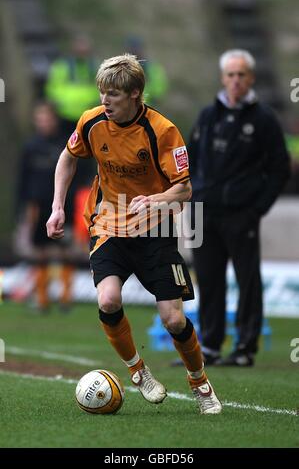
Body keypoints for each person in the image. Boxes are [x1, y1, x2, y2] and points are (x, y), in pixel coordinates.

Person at [46, 53, 222, 414]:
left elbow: (185, 190)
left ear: (135, 94)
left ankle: (200, 383)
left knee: (173, 319)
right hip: (108, 223)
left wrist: (154, 200)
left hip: (155, 228)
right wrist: (58, 206)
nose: (104, 101)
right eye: (102, 93)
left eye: (112, 94)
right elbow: (68, 156)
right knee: (108, 300)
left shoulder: (162, 130)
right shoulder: (91, 121)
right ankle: (138, 372)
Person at [188, 49, 290, 366]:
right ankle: (210, 346)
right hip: (202, 212)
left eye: (241, 74)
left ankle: (245, 348)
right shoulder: (208, 115)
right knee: (207, 278)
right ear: (222, 78)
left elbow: (279, 169)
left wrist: (257, 208)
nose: (235, 80)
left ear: (251, 78)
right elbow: (188, 160)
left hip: (241, 213)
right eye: (230, 75)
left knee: (247, 279)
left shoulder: (264, 119)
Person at [15, 101, 75, 312]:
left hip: (62, 205)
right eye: (40, 119)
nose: (44, 123)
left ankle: (66, 297)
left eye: (47, 118)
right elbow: (22, 179)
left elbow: (75, 175)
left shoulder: (65, 145)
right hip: (37, 207)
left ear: (54, 119)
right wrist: (21, 208)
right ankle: (42, 298)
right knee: (39, 251)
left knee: (65, 250)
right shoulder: (31, 147)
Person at [45, 34, 100, 134]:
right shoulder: (61, 65)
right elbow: (52, 87)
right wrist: (55, 102)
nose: (82, 50)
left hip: (88, 115)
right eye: (79, 46)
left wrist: (96, 103)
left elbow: (101, 87)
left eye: (84, 46)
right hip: (64, 114)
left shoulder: (95, 67)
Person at [125, 36, 168, 107]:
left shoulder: (152, 68)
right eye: (130, 49)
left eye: (135, 48)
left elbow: (159, 91)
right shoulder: (119, 68)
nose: (133, 51)